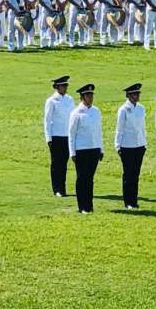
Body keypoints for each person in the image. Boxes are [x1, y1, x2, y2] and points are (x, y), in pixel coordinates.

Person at [68, 84, 103, 214]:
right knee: (82, 178)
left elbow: (98, 131)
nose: (91, 97)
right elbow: (71, 134)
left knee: (90, 178)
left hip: (93, 148)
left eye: (92, 95)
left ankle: (89, 205)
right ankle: (82, 206)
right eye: (88, 95)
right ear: (82, 97)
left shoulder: (96, 111)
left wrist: (101, 148)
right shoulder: (76, 113)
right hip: (81, 149)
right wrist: (72, 152)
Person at [115, 83, 147, 209]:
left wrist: (144, 143)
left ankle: (134, 200)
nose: (137, 96)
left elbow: (142, 127)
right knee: (128, 174)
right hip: (127, 145)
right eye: (135, 94)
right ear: (128, 95)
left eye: (138, 93)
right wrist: (118, 145)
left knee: (136, 174)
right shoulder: (123, 109)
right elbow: (120, 129)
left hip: (139, 145)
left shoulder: (141, 108)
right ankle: (128, 201)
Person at [43, 76, 74, 198]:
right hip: (56, 135)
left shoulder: (69, 99)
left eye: (66, 86)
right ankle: (57, 188)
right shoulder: (51, 101)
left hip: (67, 135)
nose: (65, 88)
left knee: (64, 163)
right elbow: (47, 120)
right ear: (57, 87)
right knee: (56, 163)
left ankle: (63, 187)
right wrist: (48, 137)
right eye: (63, 86)